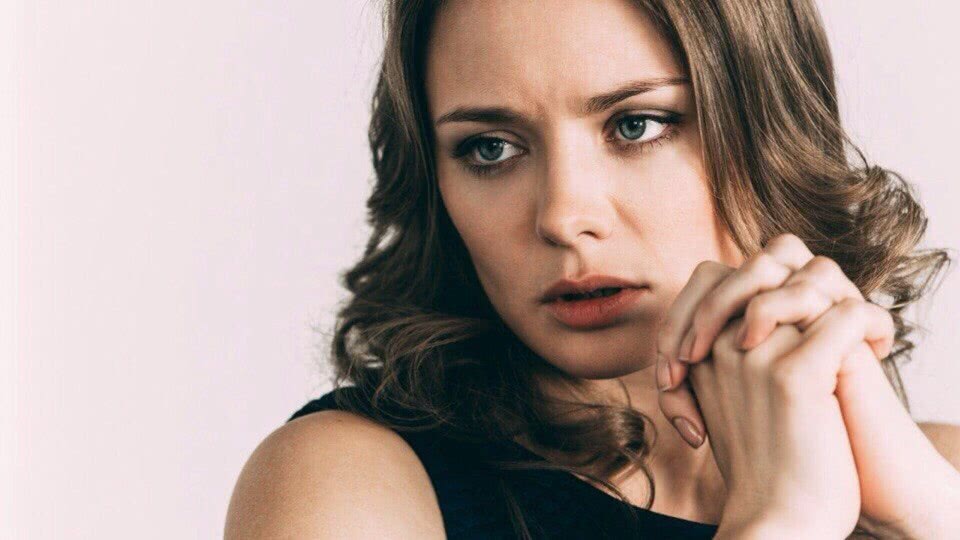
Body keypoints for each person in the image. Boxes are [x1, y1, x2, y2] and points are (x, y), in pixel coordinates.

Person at [225, 1, 960, 538]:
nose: (561, 215)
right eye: (490, 148)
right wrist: (782, 522)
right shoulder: (342, 481)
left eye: (636, 125)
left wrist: (930, 518)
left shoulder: (934, 475)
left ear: (771, 128)